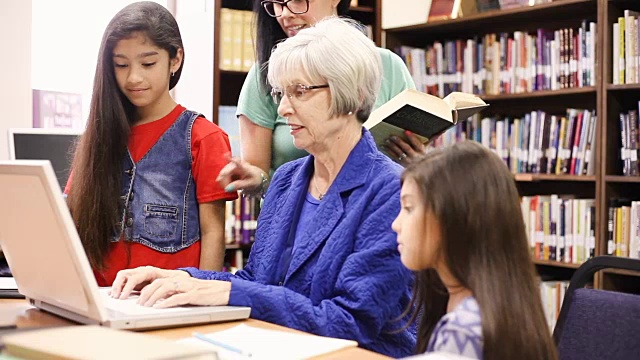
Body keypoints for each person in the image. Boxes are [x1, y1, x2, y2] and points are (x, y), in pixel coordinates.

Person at [109, 17, 416, 358]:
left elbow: (348, 321)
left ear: (353, 94)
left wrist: (230, 294)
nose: (283, 109)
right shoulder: (286, 181)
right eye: (281, 94)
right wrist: (177, 278)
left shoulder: (391, 191)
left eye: (300, 91)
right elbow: (255, 281)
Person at [65, 1, 237, 286]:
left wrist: (204, 298)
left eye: (148, 63)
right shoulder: (100, 136)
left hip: (167, 305)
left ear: (175, 59)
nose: (134, 77)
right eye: (121, 65)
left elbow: (213, 233)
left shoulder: (203, 137)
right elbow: (71, 219)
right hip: (101, 299)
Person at [228, 0, 425, 196]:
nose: (285, 14)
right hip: (294, 211)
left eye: (297, 0)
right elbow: (257, 171)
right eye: (277, 4)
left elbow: (414, 161)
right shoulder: (265, 74)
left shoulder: (388, 65)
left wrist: (416, 164)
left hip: (378, 201)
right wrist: (255, 179)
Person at [392, 141, 558, 360]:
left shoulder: (462, 332)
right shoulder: (504, 304)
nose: (396, 224)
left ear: (453, 220)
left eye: (409, 208)